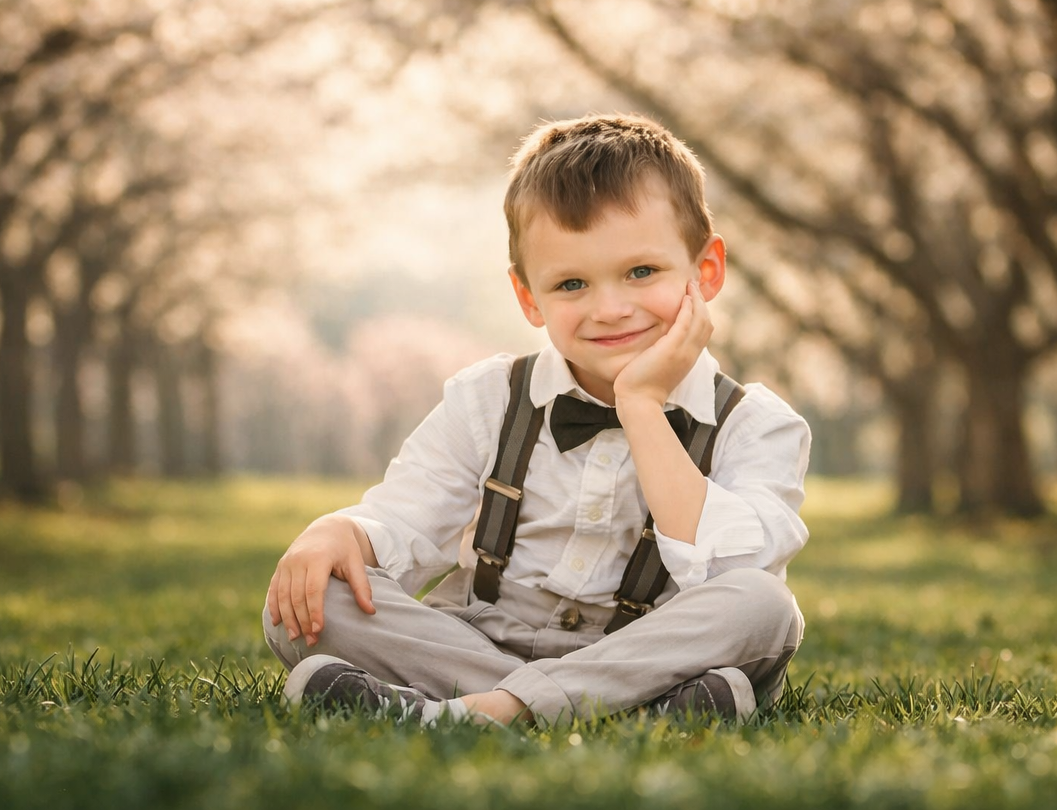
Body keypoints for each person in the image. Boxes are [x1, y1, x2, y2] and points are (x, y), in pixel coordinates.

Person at [263, 114, 811, 726]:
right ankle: (618, 712)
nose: (611, 308)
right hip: (478, 641)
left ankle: (459, 712)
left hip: (646, 650)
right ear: (529, 297)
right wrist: (342, 532)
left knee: (763, 605)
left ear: (704, 271)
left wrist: (640, 406)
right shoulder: (488, 398)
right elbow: (401, 520)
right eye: (572, 283)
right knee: (310, 596)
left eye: (641, 272)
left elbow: (727, 575)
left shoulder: (756, 424)